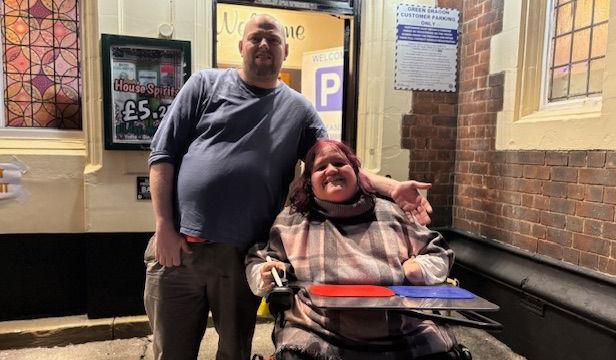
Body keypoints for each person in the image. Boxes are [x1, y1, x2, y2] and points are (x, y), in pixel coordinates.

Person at [145, 14, 433, 360]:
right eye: (255, 38)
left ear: (285, 50)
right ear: (241, 47)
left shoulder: (298, 110)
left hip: (239, 256)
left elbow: (335, 161)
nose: (264, 44)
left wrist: (392, 187)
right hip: (179, 247)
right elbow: (162, 155)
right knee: (170, 352)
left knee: (234, 351)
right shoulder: (205, 85)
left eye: (273, 39)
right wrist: (163, 227)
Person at [246, 139, 457, 360]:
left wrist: (420, 269)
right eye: (320, 167)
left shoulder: (392, 213)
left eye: (339, 162)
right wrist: (265, 272)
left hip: (401, 329)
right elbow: (259, 258)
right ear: (309, 181)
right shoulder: (292, 220)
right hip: (316, 331)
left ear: (357, 172)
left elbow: (440, 252)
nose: (331, 170)